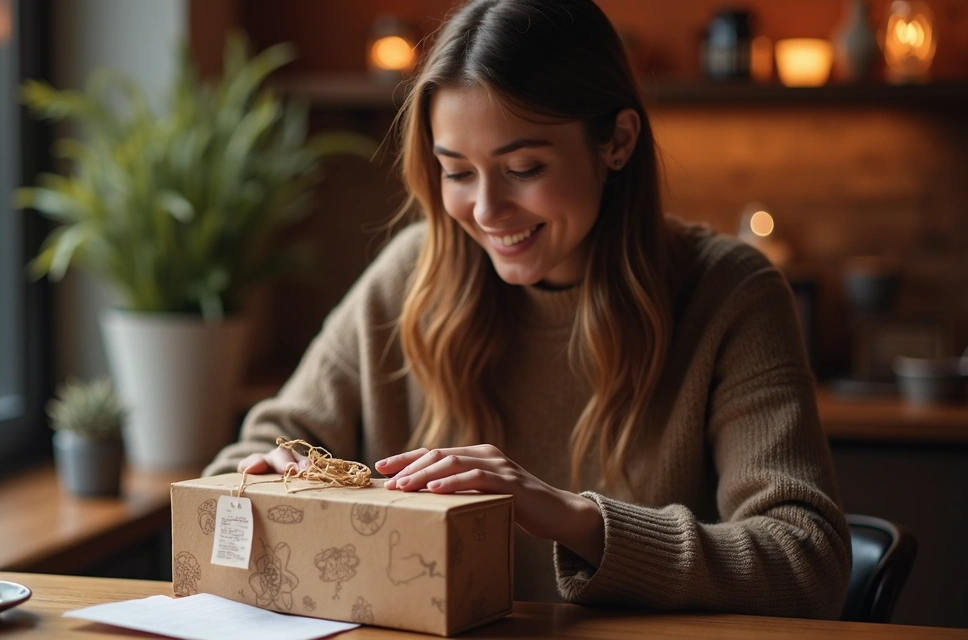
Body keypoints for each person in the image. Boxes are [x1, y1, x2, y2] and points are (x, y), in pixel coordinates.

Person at [204, 0, 850, 619]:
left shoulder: (731, 293)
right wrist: (262, 475)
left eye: (523, 167)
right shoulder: (412, 271)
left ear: (617, 141)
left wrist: (571, 518)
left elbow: (808, 562)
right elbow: (252, 452)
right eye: (456, 172)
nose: (485, 211)